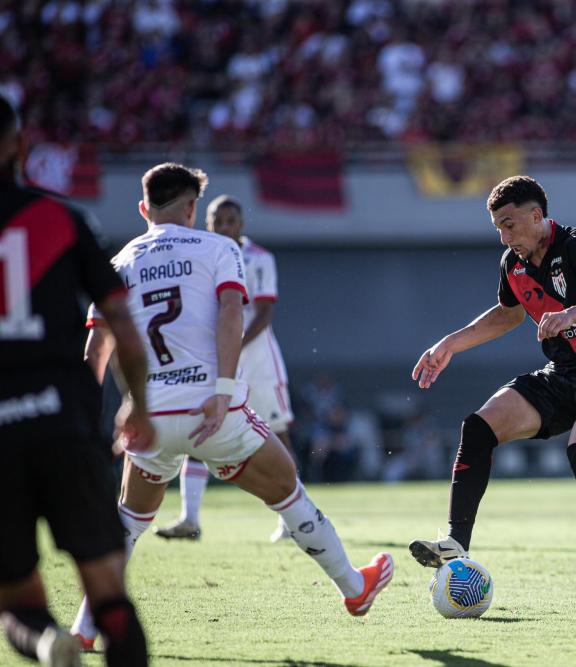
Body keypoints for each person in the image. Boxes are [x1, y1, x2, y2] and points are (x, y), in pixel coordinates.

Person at [70, 163, 392, 649]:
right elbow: (230, 313)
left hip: (148, 417)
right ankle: (354, 587)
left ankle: (84, 628)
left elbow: (96, 350)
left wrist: (86, 425)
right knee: (287, 489)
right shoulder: (219, 248)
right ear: (193, 209)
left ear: (143, 209)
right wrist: (221, 389)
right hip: (210, 409)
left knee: (131, 521)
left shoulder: (117, 264)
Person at [409, 175, 576, 617]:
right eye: (498, 226)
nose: (504, 235)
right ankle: (457, 541)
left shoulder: (575, 245)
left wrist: (573, 312)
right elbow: (508, 315)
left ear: (537, 215)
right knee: (478, 428)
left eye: (510, 224)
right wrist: (448, 344)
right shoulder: (511, 264)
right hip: (560, 376)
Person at [0, 95, 151, 667]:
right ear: (18, 145)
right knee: (109, 592)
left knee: (16, 596)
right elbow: (122, 327)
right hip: (63, 420)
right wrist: (136, 402)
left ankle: (46, 642)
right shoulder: (61, 219)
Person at [153, 194, 297, 542]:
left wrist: (232, 347)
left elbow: (263, 314)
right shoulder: (200, 254)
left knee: (278, 432)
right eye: (218, 220)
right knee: (201, 428)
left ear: (241, 224)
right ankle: (189, 518)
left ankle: (293, 520)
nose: (224, 227)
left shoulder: (259, 258)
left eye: (230, 220)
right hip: (215, 359)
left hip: (257, 359)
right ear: (208, 223)